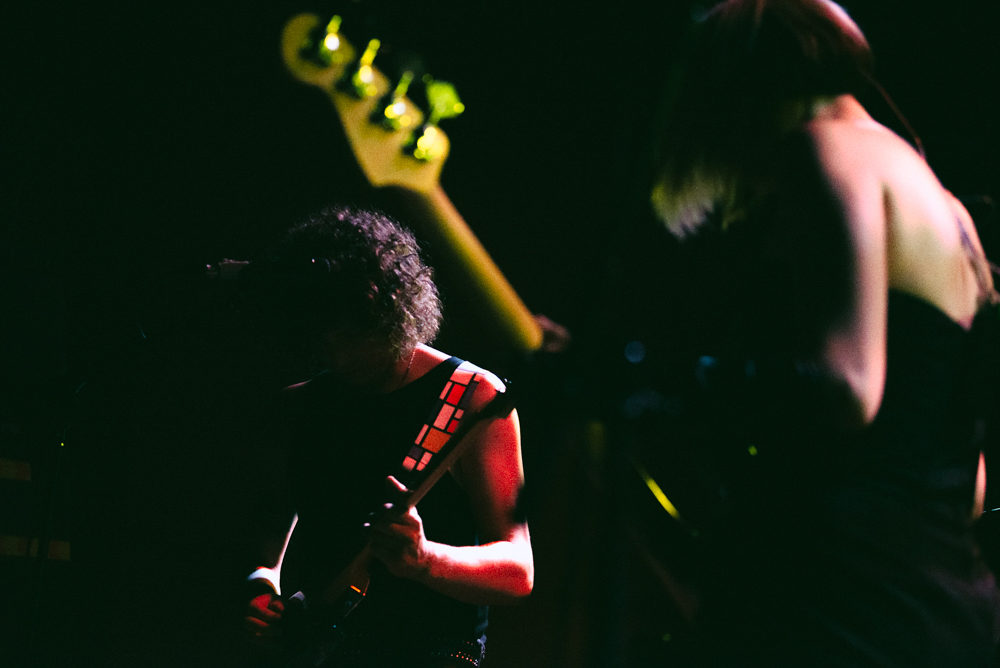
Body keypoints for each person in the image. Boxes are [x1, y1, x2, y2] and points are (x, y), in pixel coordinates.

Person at [649, 0, 1000, 665]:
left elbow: (846, 387)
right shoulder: (947, 206)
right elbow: (972, 480)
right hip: (946, 604)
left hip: (841, 598)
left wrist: (662, 380)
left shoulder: (824, 148)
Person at [239, 207, 533, 667]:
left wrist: (426, 559)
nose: (337, 355)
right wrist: (261, 582)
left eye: (351, 335)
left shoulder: (472, 397)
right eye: (323, 339)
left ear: (389, 310)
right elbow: (273, 521)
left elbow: (517, 572)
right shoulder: (301, 403)